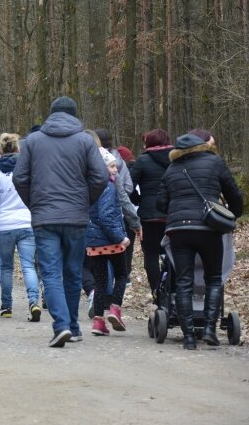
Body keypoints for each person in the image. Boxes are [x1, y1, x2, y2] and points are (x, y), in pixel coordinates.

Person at [13, 96, 109, 347]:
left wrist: (34, 204)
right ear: (75, 115)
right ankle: (72, 327)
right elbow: (100, 177)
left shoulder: (32, 141)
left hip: (45, 218)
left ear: (51, 114)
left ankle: (63, 326)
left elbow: (19, 178)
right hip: (76, 217)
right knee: (73, 272)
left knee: (52, 273)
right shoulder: (86, 141)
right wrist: (84, 201)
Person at [156, 133, 243, 350]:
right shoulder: (215, 162)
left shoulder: (171, 169)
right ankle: (210, 330)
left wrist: (176, 211)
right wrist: (233, 213)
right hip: (209, 228)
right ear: (202, 147)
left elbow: (160, 203)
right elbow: (234, 194)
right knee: (213, 278)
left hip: (179, 231)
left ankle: (188, 338)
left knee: (183, 281)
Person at [0, 133, 40, 322]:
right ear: (18, 148)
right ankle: (34, 302)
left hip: (3, 225)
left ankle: (6, 306)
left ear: (0, 149)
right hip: (26, 222)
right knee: (28, 265)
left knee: (6, 267)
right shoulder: (27, 169)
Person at [86, 151, 131, 336]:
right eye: (112, 166)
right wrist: (120, 237)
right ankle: (115, 309)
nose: (116, 169)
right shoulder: (108, 186)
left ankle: (98, 322)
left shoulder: (89, 186)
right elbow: (106, 216)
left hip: (94, 242)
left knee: (100, 282)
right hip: (111, 240)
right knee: (121, 274)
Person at [129, 128, 173, 296]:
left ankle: (157, 292)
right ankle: (172, 289)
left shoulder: (142, 161)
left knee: (151, 256)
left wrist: (138, 201)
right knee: (175, 253)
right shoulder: (176, 159)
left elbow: (129, 186)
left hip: (149, 216)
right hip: (172, 214)